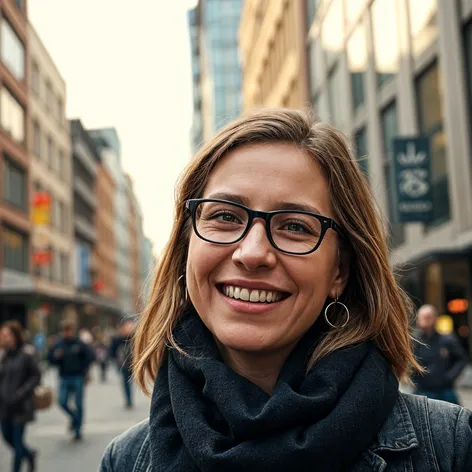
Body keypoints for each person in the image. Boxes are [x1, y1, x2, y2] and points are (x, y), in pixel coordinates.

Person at [100, 109, 472, 472]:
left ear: (339, 271)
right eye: (225, 216)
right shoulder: (126, 460)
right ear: (186, 248)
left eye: (295, 226)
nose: (252, 253)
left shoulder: (452, 448)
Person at [0, 321, 41, 472]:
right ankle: (29, 454)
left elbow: (36, 376)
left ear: (16, 335)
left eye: (8, 334)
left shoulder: (26, 353)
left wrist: (22, 392)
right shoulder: (3, 355)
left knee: (17, 444)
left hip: (20, 405)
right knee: (7, 438)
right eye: (3, 335)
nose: (5, 338)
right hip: (4, 406)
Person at [48, 320, 95, 441]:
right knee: (62, 401)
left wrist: (85, 371)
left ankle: (78, 430)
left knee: (79, 403)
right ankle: (74, 418)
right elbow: (50, 360)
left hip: (78, 377)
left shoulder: (79, 344)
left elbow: (90, 356)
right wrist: (56, 356)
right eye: (65, 330)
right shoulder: (58, 345)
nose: (67, 333)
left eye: (69, 330)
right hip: (64, 377)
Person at [413, 304, 469, 404]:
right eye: (421, 317)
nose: (424, 320)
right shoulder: (415, 341)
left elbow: (462, 359)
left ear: (435, 318)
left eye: (427, 317)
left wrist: (450, 377)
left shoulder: (447, 339)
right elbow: (409, 362)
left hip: (444, 390)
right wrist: (415, 378)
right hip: (422, 390)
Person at [109, 320, 135, 409]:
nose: (128, 330)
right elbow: (112, 352)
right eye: (127, 328)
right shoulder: (117, 340)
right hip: (123, 365)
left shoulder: (134, 338)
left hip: (134, 364)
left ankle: (129, 399)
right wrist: (116, 362)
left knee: (130, 382)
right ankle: (128, 400)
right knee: (126, 383)